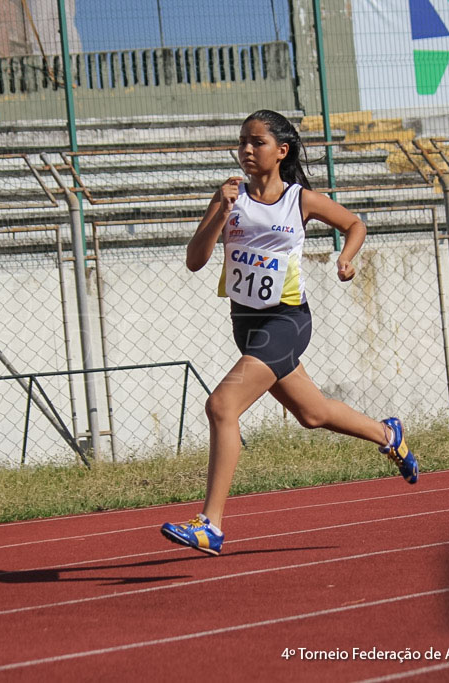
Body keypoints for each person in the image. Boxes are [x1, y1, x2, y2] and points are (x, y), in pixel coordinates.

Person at [160, 110, 418, 556]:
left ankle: (211, 525)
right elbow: (195, 259)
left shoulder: (300, 200)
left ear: (281, 151)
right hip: (247, 327)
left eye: (256, 142)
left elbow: (355, 224)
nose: (245, 149)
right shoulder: (229, 196)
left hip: (287, 320)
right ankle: (387, 434)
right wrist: (220, 210)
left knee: (222, 406)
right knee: (313, 413)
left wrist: (347, 258)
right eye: (241, 141)